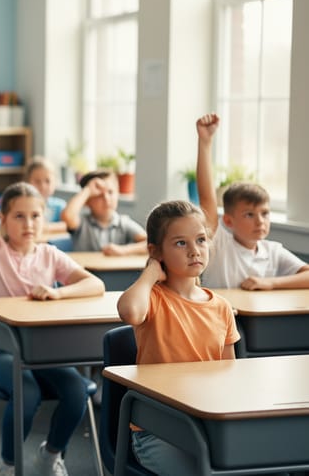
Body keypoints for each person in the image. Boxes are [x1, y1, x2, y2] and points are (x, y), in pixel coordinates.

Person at [0, 140, 106, 476]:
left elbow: (96, 284)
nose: (28, 223)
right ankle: (10, 465)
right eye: (18, 216)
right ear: (3, 220)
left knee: (77, 389)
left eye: (35, 216)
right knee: (27, 389)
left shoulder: (50, 254)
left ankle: (50, 455)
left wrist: (58, 293)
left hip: (41, 352)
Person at [117, 200, 240, 475]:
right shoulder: (152, 299)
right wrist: (150, 272)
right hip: (157, 429)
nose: (194, 250)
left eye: (200, 240)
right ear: (156, 251)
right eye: (180, 243)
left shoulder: (221, 307)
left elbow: (232, 375)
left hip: (204, 422)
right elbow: (128, 312)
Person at [195, 113, 309, 289]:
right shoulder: (219, 244)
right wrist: (205, 142)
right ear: (228, 220)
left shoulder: (273, 251)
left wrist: (271, 283)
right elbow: (206, 198)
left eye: (265, 213)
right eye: (249, 214)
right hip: (221, 316)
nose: (260, 221)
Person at [60, 169, 148, 255]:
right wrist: (88, 190)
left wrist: (123, 250)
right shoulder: (82, 222)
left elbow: (152, 244)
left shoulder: (123, 223)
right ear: (87, 201)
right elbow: (67, 215)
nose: (106, 199)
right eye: (99, 195)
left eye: (110, 192)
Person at [23, 156, 67, 234]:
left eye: (47, 181)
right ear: (27, 182)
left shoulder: (60, 205)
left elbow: (68, 225)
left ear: (55, 183)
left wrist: (46, 228)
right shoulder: (23, 205)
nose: (43, 186)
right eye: (37, 181)